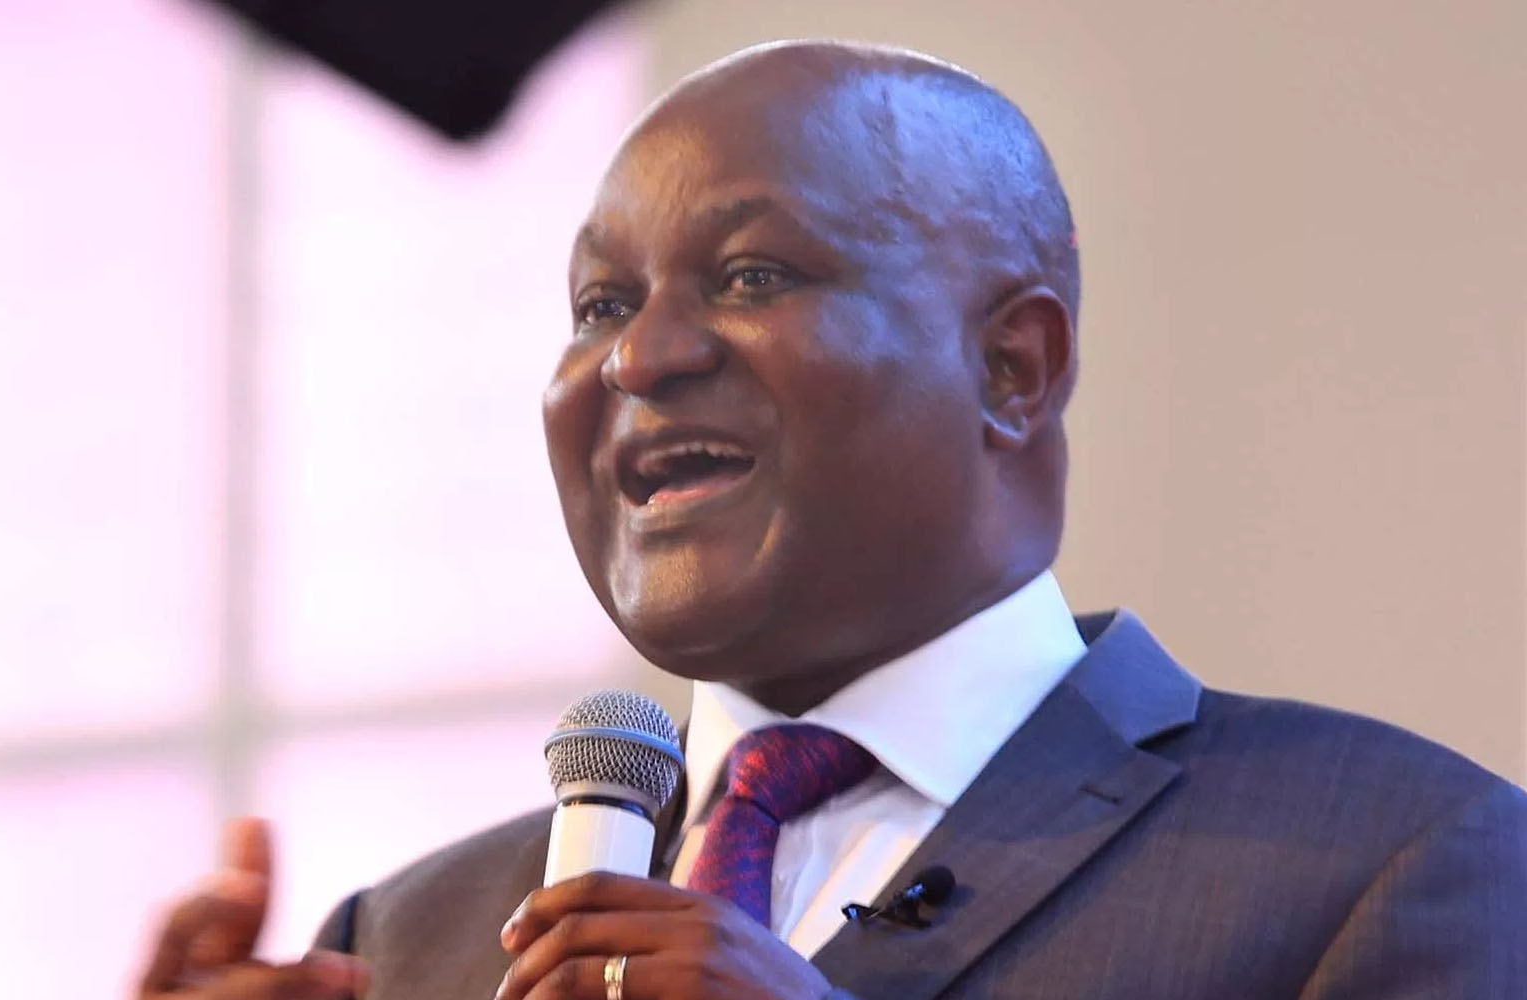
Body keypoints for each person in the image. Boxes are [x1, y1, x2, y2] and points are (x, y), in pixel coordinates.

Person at [134, 40, 1527, 1000]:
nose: (639, 358)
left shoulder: (1389, 862)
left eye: (750, 275)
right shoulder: (403, 947)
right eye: (601, 305)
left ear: (1012, 367)